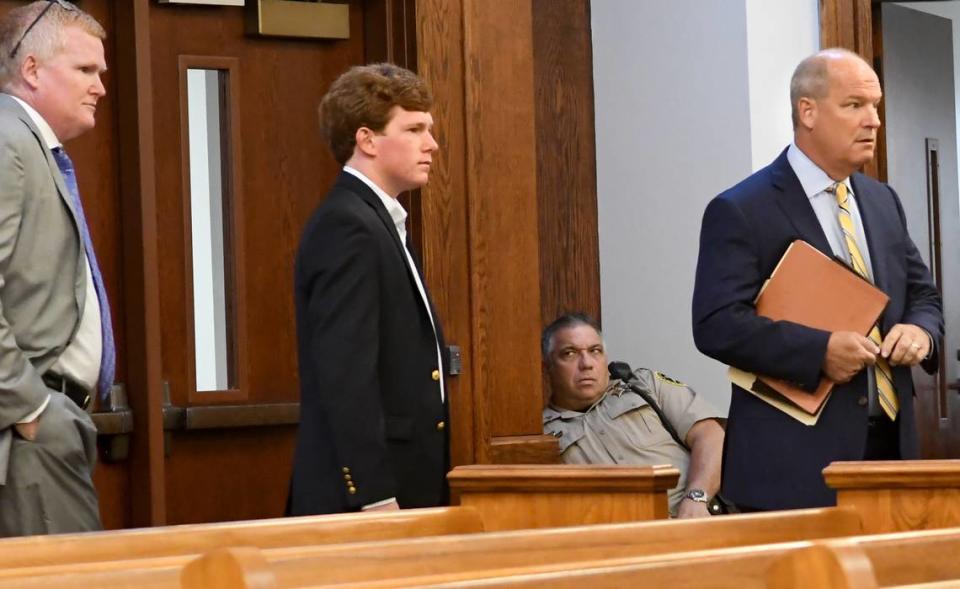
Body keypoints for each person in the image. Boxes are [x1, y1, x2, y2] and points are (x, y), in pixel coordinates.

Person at [692, 48, 944, 511]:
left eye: (876, 107)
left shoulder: (882, 200)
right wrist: (818, 352)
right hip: (793, 465)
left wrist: (920, 332)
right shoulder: (741, 210)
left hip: (892, 452)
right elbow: (716, 324)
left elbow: (923, 295)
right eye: (855, 106)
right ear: (807, 111)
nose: (873, 121)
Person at [288, 63, 448, 515]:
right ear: (367, 140)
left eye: (429, 129)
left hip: (406, 484)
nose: (431, 144)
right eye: (414, 129)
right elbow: (346, 375)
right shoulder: (348, 226)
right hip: (366, 500)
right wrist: (374, 494)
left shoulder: (378, 220)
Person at [0, 0, 113, 536]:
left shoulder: (29, 144)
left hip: (49, 426)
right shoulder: (8, 140)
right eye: (86, 70)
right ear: (32, 70)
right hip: (27, 431)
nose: (100, 88)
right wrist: (30, 407)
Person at [541, 313, 724, 518]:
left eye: (595, 351)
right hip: (624, 542)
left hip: (698, 520)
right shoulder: (540, 436)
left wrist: (696, 498)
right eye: (570, 353)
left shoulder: (645, 386)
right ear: (547, 367)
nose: (587, 363)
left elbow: (712, 436)